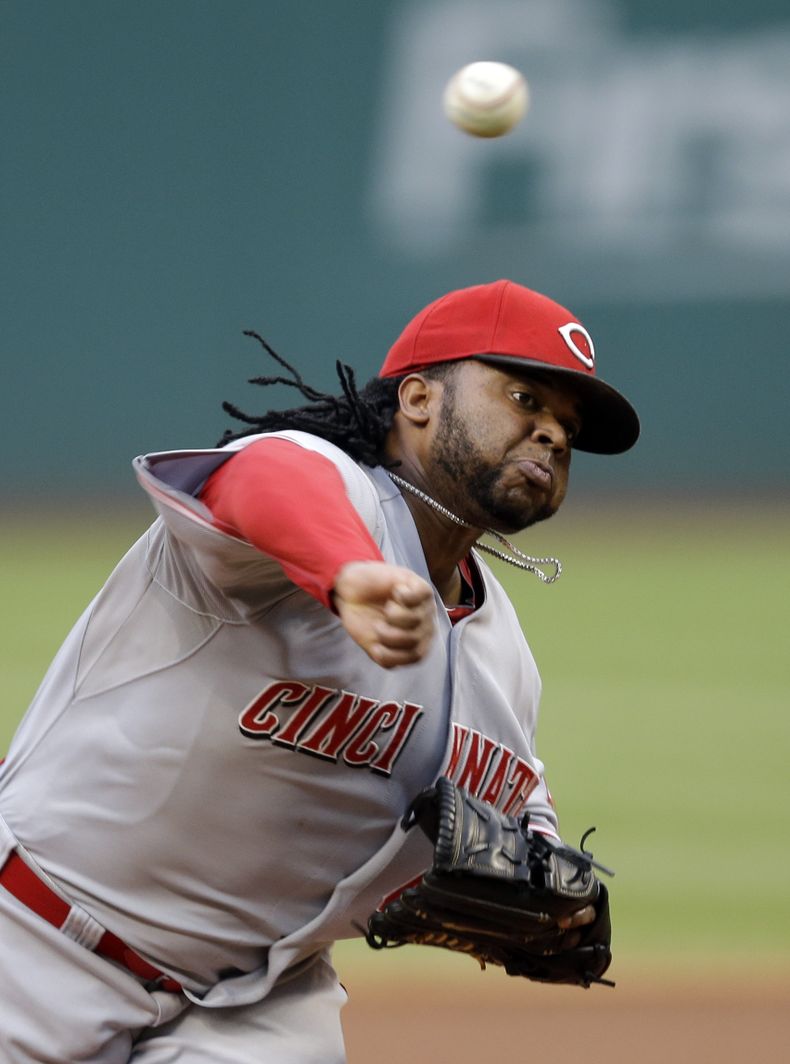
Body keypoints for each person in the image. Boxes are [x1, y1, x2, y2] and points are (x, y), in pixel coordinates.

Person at [0, 279, 639, 1062]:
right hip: (34, 944)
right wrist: (345, 569)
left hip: (253, 1006)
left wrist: (551, 888)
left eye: (566, 426)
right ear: (417, 398)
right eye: (523, 397)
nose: (551, 435)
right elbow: (261, 479)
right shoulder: (329, 485)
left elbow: (516, 799)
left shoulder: (504, 654)